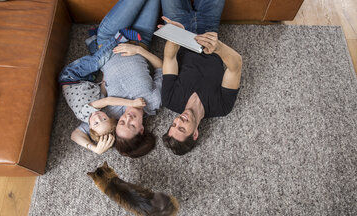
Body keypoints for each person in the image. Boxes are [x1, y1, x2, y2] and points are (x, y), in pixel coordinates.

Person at [59, 0, 162, 157]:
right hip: (141, 40)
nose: (127, 118)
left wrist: (94, 148)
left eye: (122, 122)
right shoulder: (154, 102)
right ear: (141, 129)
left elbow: (76, 134)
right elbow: (162, 68)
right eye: (132, 125)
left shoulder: (108, 115)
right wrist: (139, 51)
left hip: (109, 38)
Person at [160, 0, 243, 155]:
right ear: (195, 133)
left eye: (174, 124)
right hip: (208, 30)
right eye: (182, 128)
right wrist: (218, 47)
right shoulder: (222, 107)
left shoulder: (169, 100)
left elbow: (169, 59)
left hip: (181, 31)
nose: (179, 120)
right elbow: (236, 66)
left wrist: (175, 35)